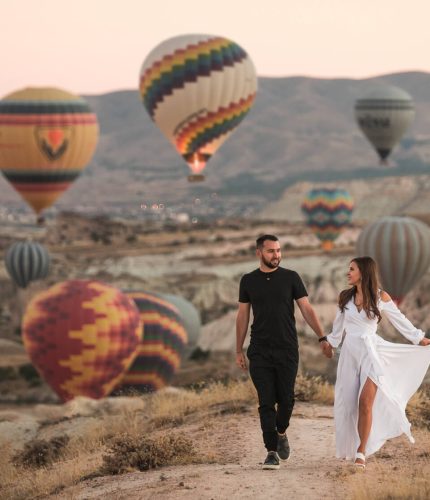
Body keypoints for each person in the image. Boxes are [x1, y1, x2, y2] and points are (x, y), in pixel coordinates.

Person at [321, 256, 430, 469]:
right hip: (350, 354)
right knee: (349, 405)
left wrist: (419, 338)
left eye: (351, 269)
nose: (348, 273)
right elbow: (337, 328)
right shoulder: (345, 297)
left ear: (363, 272)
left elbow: (400, 320)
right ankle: (352, 446)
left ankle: (361, 451)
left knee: (365, 402)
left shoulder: (381, 297)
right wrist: (329, 343)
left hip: (373, 352)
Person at [236, 234, 327, 470]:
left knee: (286, 400)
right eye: (270, 251)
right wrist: (238, 349)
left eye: (278, 251)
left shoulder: (291, 277)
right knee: (266, 402)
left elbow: (306, 308)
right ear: (259, 253)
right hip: (259, 351)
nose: (276, 255)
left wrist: (322, 336)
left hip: (287, 348)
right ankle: (271, 451)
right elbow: (243, 315)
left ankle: (282, 431)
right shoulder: (248, 281)